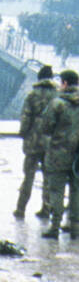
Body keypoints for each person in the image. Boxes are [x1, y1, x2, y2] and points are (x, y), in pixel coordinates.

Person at [14, 65, 58, 219]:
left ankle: (21, 209)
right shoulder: (57, 96)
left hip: (33, 142)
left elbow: (25, 117)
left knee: (28, 176)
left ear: (39, 78)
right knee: (48, 177)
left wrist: (23, 133)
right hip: (50, 143)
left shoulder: (32, 95)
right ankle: (46, 209)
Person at [41, 69, 79, 239]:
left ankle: (55, 226)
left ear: (64, 83)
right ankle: (75, 227)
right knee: (76, 191)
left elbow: (46, 127)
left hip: (58, 154)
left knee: (56, 190)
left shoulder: (57, 103)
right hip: (78, 156)